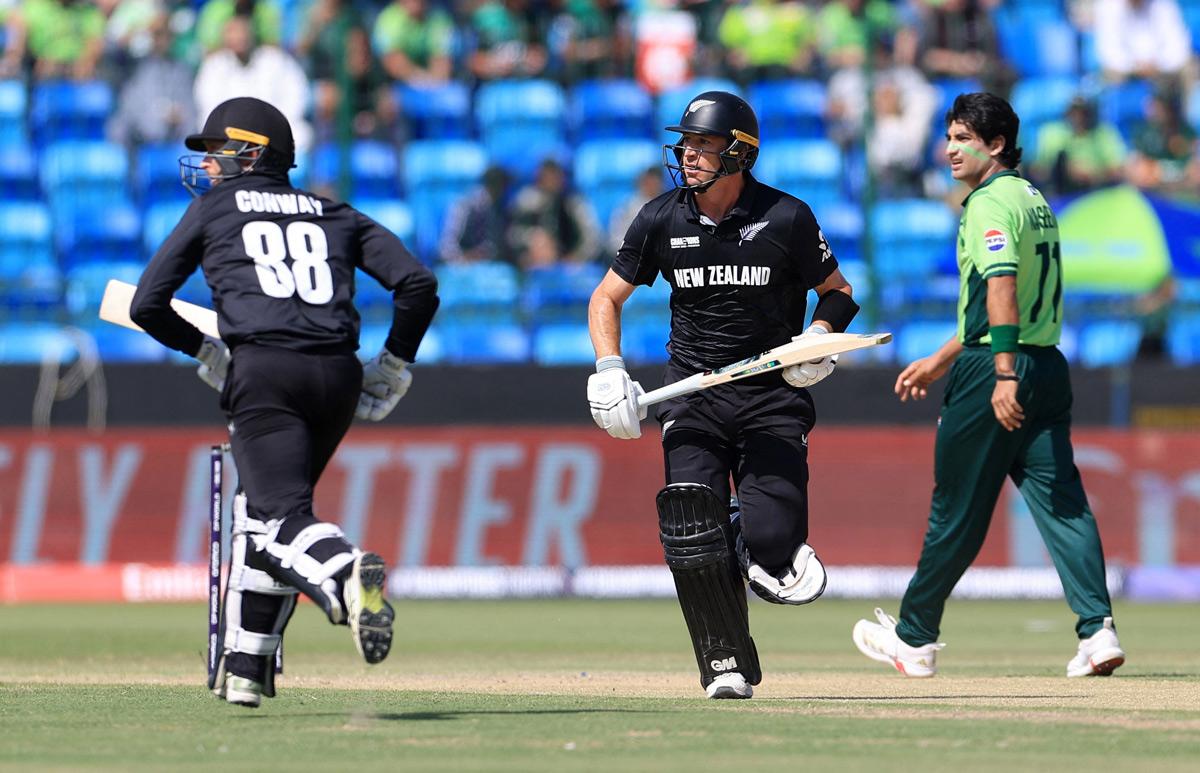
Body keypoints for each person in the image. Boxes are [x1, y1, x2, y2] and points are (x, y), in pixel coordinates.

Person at [129, 97, 439, 707]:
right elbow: (418, 283)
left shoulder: (216, 206)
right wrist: (395, 361)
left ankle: (345, 574)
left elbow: (146, 306)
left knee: (276, 523)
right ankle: (247, 666)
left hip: (265, 371)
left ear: (250, 153)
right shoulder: (333, 210)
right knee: (266, 510)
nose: (209, 166)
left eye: (217, 153)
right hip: (338, 374)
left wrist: (206, 351)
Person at [586, 91, 858, 699]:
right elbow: (605, 298)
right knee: (690, 527)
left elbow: (840, 294)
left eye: (703, 145)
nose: (688, 155)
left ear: (740, 153)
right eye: (685, 144)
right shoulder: (660, 217)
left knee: (772, 548)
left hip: (772, 399)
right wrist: (608, 369)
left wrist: (818, 339)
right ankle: (722, 664)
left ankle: (746, 533)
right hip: (692, 399)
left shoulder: (788, 217)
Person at [852, 92, 1127, 679]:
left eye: (962, 139)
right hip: (1046, 363)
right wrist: (943, 357)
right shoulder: (1034, 199)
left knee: (955, 510)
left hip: (997, 371)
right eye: (948, 137)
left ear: (996, 144)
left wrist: (1000, 372)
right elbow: (1004, 303)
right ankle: (1097, 632)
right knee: (1063, 504)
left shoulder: (986, 204)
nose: (948, 149)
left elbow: (1000, 286)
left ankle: (914, 638)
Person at [1030, 95, 1126, 196]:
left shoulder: (1104, 133)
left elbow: (1118, 169)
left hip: (1098, 192)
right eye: (1074, 113)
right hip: (1063, 193)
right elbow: (1038, 171)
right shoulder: (1052, 133)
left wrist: (1094, 174)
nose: (1078, 117)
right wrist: (1063, 169)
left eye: (1083, 113)